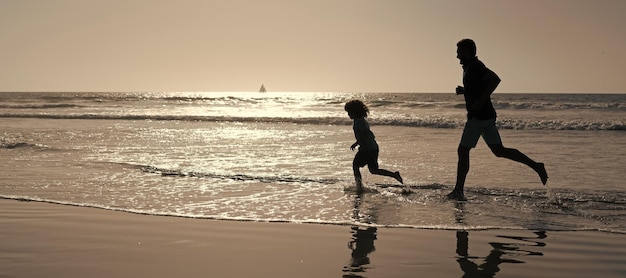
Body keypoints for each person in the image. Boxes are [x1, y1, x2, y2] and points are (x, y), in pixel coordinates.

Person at [448, 39, 548, 200]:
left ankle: (458, 191)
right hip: (486, 116)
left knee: (463, 150)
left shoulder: (475, 66)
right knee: (499, 151)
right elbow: (477, 86)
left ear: (467, 51)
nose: (457, 55)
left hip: (479, 116)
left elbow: (495, 79)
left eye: (459, 51)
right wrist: (465, 91)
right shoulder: (469, 67)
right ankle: (536, 166)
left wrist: (481, 100)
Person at [345, 100, 403, 193]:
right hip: (373, 148)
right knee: (374, 170)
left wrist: (357, 143)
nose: (348, 114)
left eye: (349, 112)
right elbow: (366, 135)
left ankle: (359, 187)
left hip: (366, 149)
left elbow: (364, 134)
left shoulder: (358, 122)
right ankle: (394, 175)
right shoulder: (361, 120)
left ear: (355, 112)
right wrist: (358, 142)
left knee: (355, 166)